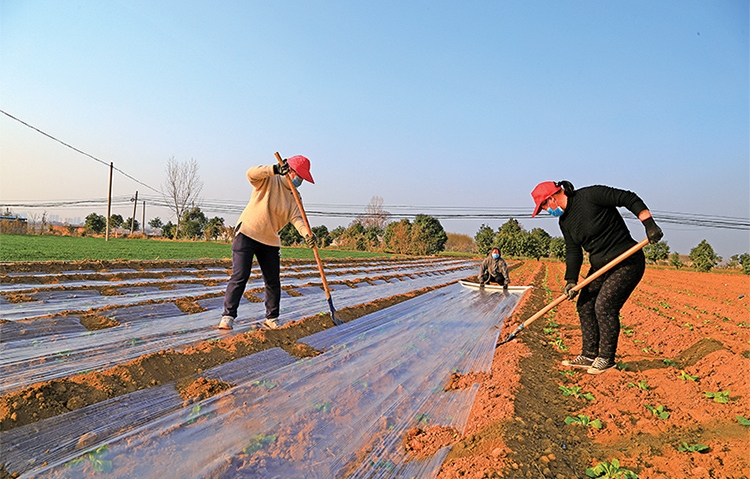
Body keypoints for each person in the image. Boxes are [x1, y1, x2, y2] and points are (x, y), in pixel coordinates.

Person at [530, 180, 663, 374]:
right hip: (601, 266)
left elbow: (628, 197)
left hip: (627, 261)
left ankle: (607, 358)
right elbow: (573, 251)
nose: (545, 211)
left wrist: (649, 224)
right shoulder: (564, 222)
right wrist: (571, 281)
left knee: (605, 306)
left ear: (551, 198)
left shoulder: (591, 196)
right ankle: (589, 354)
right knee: (585, 304)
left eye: (543, 207)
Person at [218, 155, 317, 331]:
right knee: (240, 275)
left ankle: (272, 318)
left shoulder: (295, 197)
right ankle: (228, 316)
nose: (299, 180)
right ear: (289, 170)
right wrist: (273, 169)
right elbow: (250, 174)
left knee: (272, 281)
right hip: (247, 232)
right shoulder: (270, 179)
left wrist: (307, 234)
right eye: (298, 175)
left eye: (302, 178)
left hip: (270, 240)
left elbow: (297, 219)